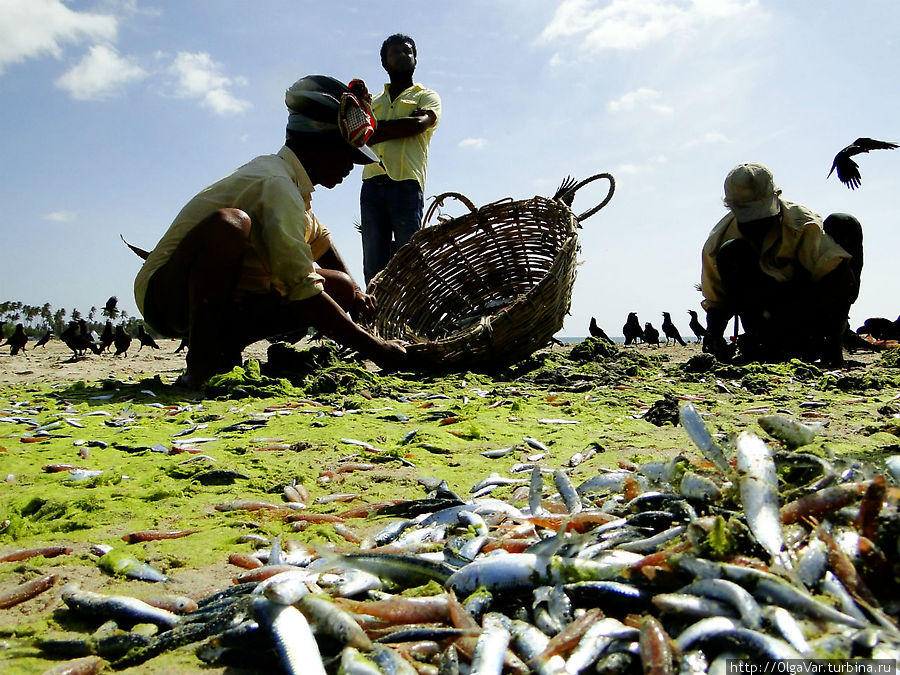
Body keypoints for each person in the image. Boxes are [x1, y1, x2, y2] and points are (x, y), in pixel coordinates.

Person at [133, 75, 408, 387]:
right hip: (165, 298)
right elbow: (302, 290)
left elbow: (320, 241)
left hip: (228, 302)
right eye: (347, 154)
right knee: (230, 226)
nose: (351, 166)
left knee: (341, 287)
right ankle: (203, 360)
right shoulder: (276, 184)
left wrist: (357, 295)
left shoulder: (294, 187)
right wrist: (376, 350)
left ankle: (227, 345)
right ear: (319, 144)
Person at [700, 162, 863, 365]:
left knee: (844, 223)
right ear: (730, 207)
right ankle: (769, 346)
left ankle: (830, 343)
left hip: (810, 307)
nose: (756, 225)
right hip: (765, 317)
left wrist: (815, 326)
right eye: (748, 217)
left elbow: (841, 280)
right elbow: (717, 302)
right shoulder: (719, 241)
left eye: (761, 215)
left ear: (777, 196)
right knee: (732, 251)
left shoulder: (802, 223)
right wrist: (714, 338)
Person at [358, 33, 441, 285]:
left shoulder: (426, 96)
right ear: (384, 62)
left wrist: (375, 129)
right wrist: (395, 126)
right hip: (372, 185)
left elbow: (419, 124)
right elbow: (360, 138)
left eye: (408, 51)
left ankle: (415, 319)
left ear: (416, 59)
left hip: (406, 185)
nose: (402, 55)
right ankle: (374, 320)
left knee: (411, 261)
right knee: (373, 265)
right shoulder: (373, 102)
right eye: (395, 52)